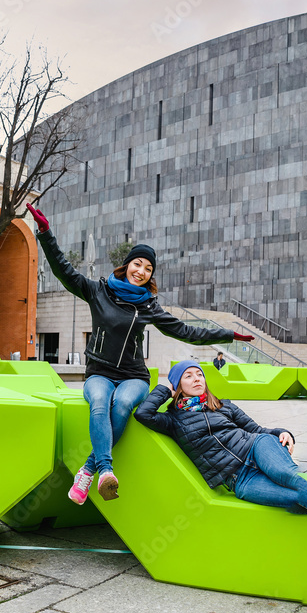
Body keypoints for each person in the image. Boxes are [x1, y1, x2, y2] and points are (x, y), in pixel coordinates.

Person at [27, 203, 254, 505]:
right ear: (127, 265)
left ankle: (87, 470)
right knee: (98, 401)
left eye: (148, 269)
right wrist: (45, 234)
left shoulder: (149, 307)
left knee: (121, 405)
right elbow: (63, 270)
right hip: (99, 371)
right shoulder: (98, 291)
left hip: (133, 375)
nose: (142, 272)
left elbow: (186, 331)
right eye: (138, 265)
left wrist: (227, 334)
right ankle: (105, 470)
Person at [134, 361, 307, 556]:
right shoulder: (173, 420)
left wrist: (283, 433)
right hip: (239, 480)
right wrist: (163, 389)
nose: (197, 378)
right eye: (188, 376)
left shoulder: (223, 405)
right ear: (178, 385)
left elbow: (258, 430)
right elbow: (143, 414)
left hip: (256, 447)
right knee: (293, 500)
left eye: (199, 373)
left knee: (286, 476)